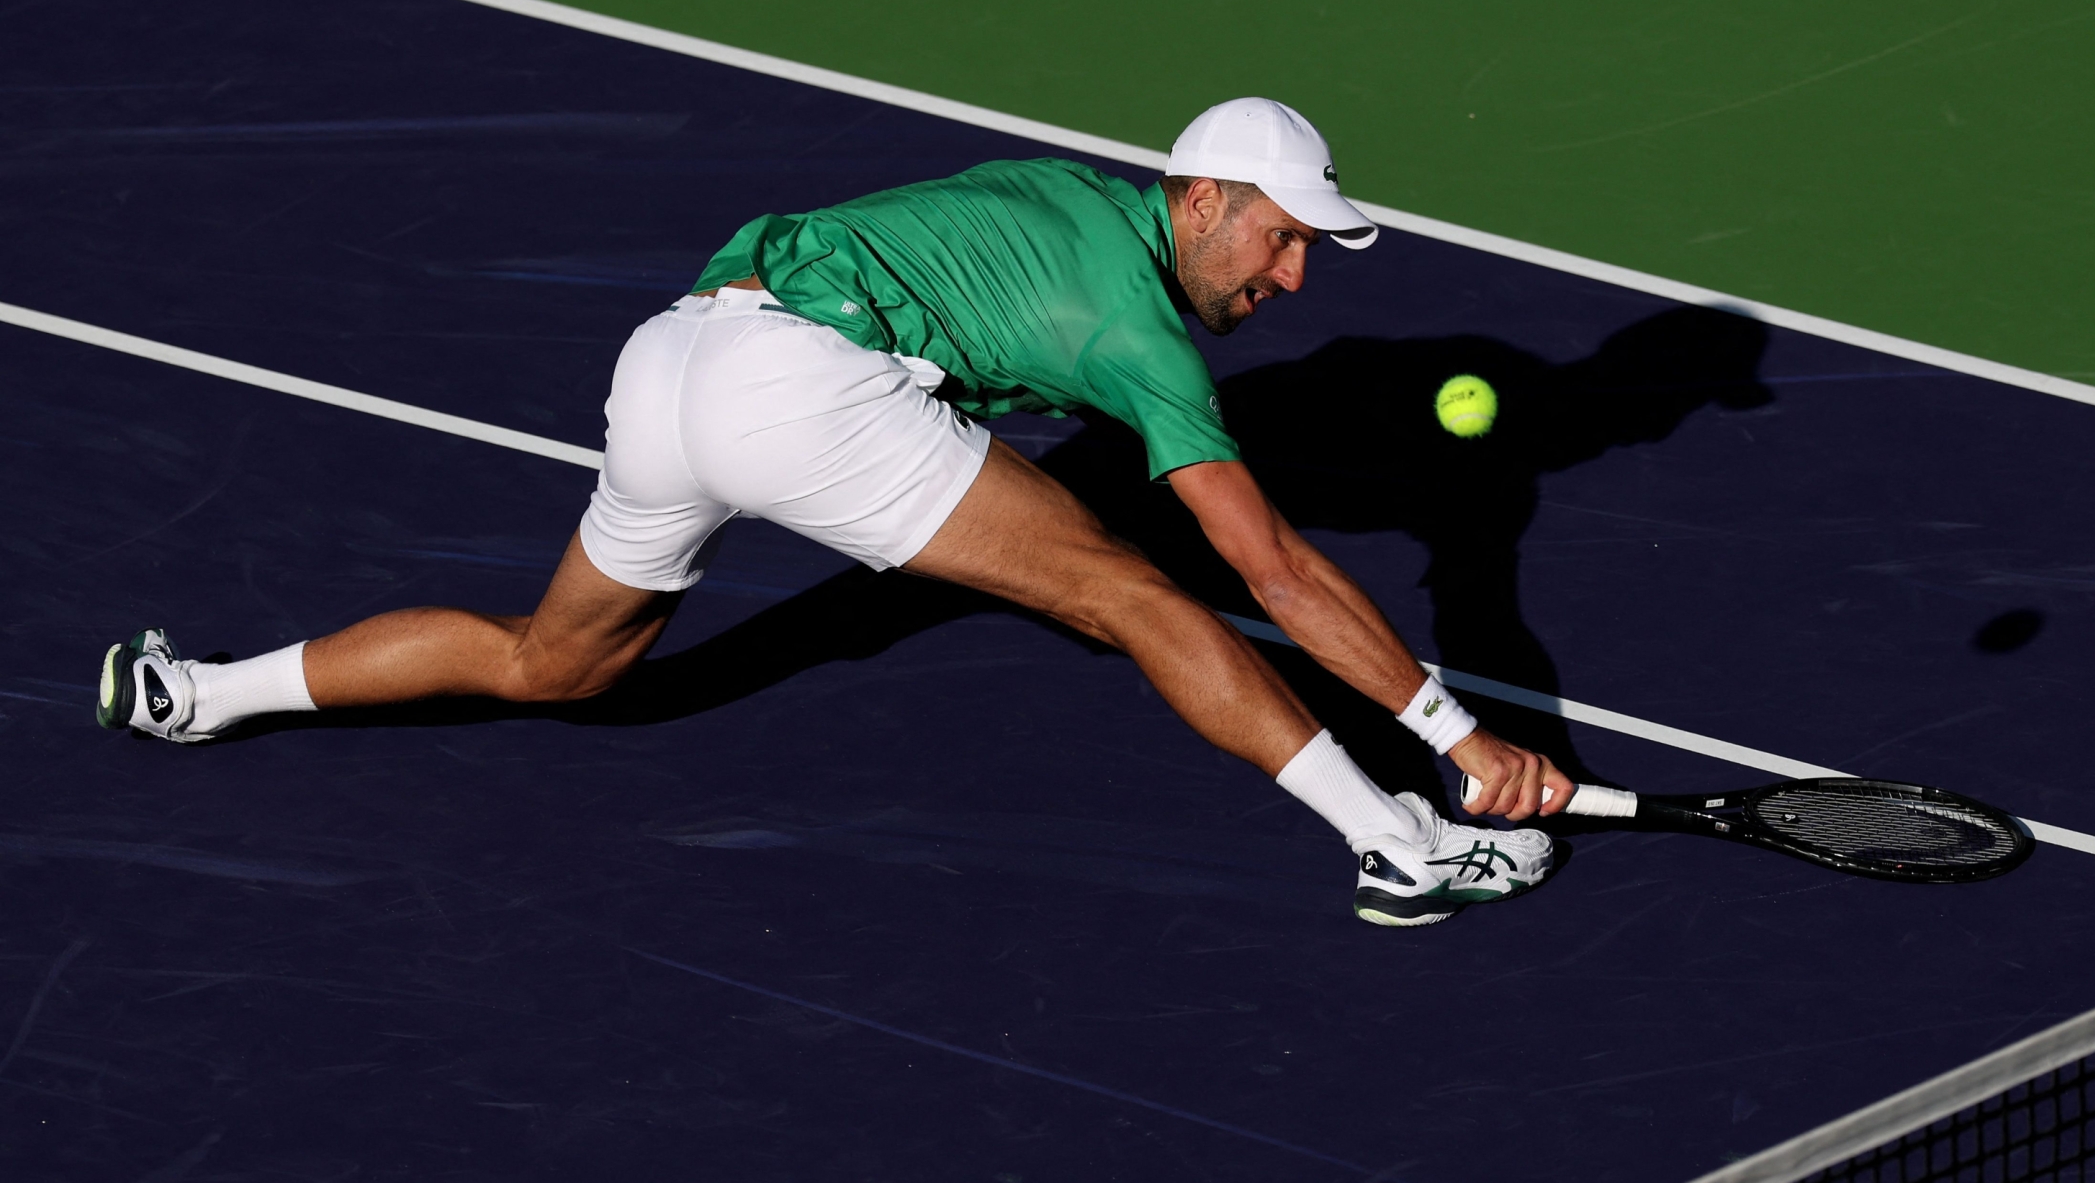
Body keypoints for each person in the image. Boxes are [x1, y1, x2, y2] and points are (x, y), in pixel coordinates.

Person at [95, 97, 1574, 927]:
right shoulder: (1143, 335)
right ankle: (1399, 839)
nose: (1293, 275)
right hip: (802, 393)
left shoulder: (1058, 193)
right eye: (1281, 237)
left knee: (562, 660)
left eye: (1314, 251)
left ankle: (199, 691)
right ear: (1198, 200)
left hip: (674, 351)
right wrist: (1458, 738)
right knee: (1148, 596)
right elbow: (1271, 560)